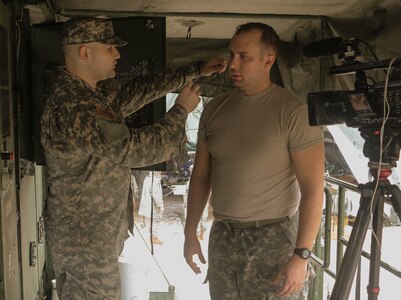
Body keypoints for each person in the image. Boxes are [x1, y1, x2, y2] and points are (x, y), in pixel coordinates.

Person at [40, 16, 226, 299]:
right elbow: (133, 150)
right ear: (85, 52)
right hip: (84, 239)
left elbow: (141, 89)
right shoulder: (74, 107)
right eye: (109, 48)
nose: (117, 54)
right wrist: (180, 112)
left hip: (94, 232)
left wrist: (196, 70)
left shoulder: (93, 94)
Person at [183, 22, 325, 300]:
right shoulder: (214, 109)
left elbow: (313, 188)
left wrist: (301, 255)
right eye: (231, 54)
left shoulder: (293, 113)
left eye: (243, 56)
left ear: (268, 60)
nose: (232, 64)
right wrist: (190, 233)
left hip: (273, 239)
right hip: (224, 237)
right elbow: (200, 177)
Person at [138, 171, 165, 244]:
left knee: (150, 221)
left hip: (147, 205)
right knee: (156, 221)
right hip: (153, 205)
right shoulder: (155, 180)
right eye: (160, 172)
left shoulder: (147, 178)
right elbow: (156, 195)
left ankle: (152, 237)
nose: (161, 173)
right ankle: (154, 238)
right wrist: (160, 205)